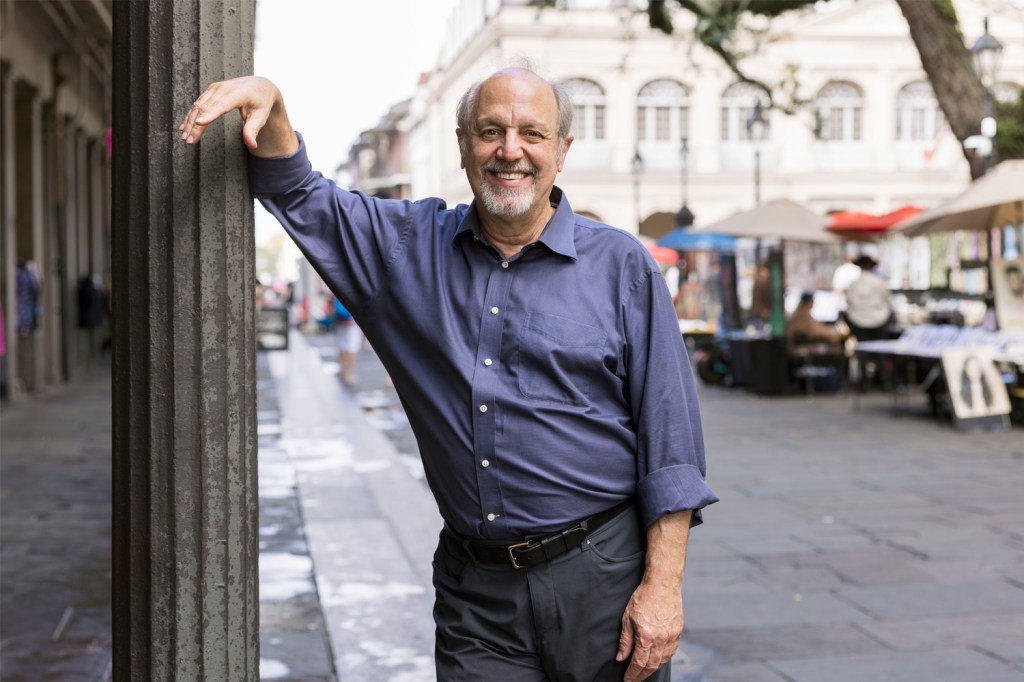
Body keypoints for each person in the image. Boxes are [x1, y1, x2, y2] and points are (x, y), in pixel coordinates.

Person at [180, 67, 716, 681]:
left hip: (601, 577)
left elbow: (672, 445)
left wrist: (663, 588)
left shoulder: (623, 265)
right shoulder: (406, 249)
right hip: (476, 593)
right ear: (462, 144)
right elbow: (300, 194)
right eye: (490, 131)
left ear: (562, 151)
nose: (509, 150)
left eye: (531, 134)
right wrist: (273, 106)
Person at [843, 254, 894, 342]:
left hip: (858, 321)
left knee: (863, 347)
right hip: (879, 320)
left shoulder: (854, 284)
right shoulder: (879, 282)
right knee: (878, 346)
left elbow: (848, 302)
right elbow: (888, 301)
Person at [333, 297, 361, 385]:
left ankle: (343, 371)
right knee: (352, 347)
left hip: (340, 320)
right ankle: (349, 373)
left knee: (342, 345)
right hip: (352, 321)